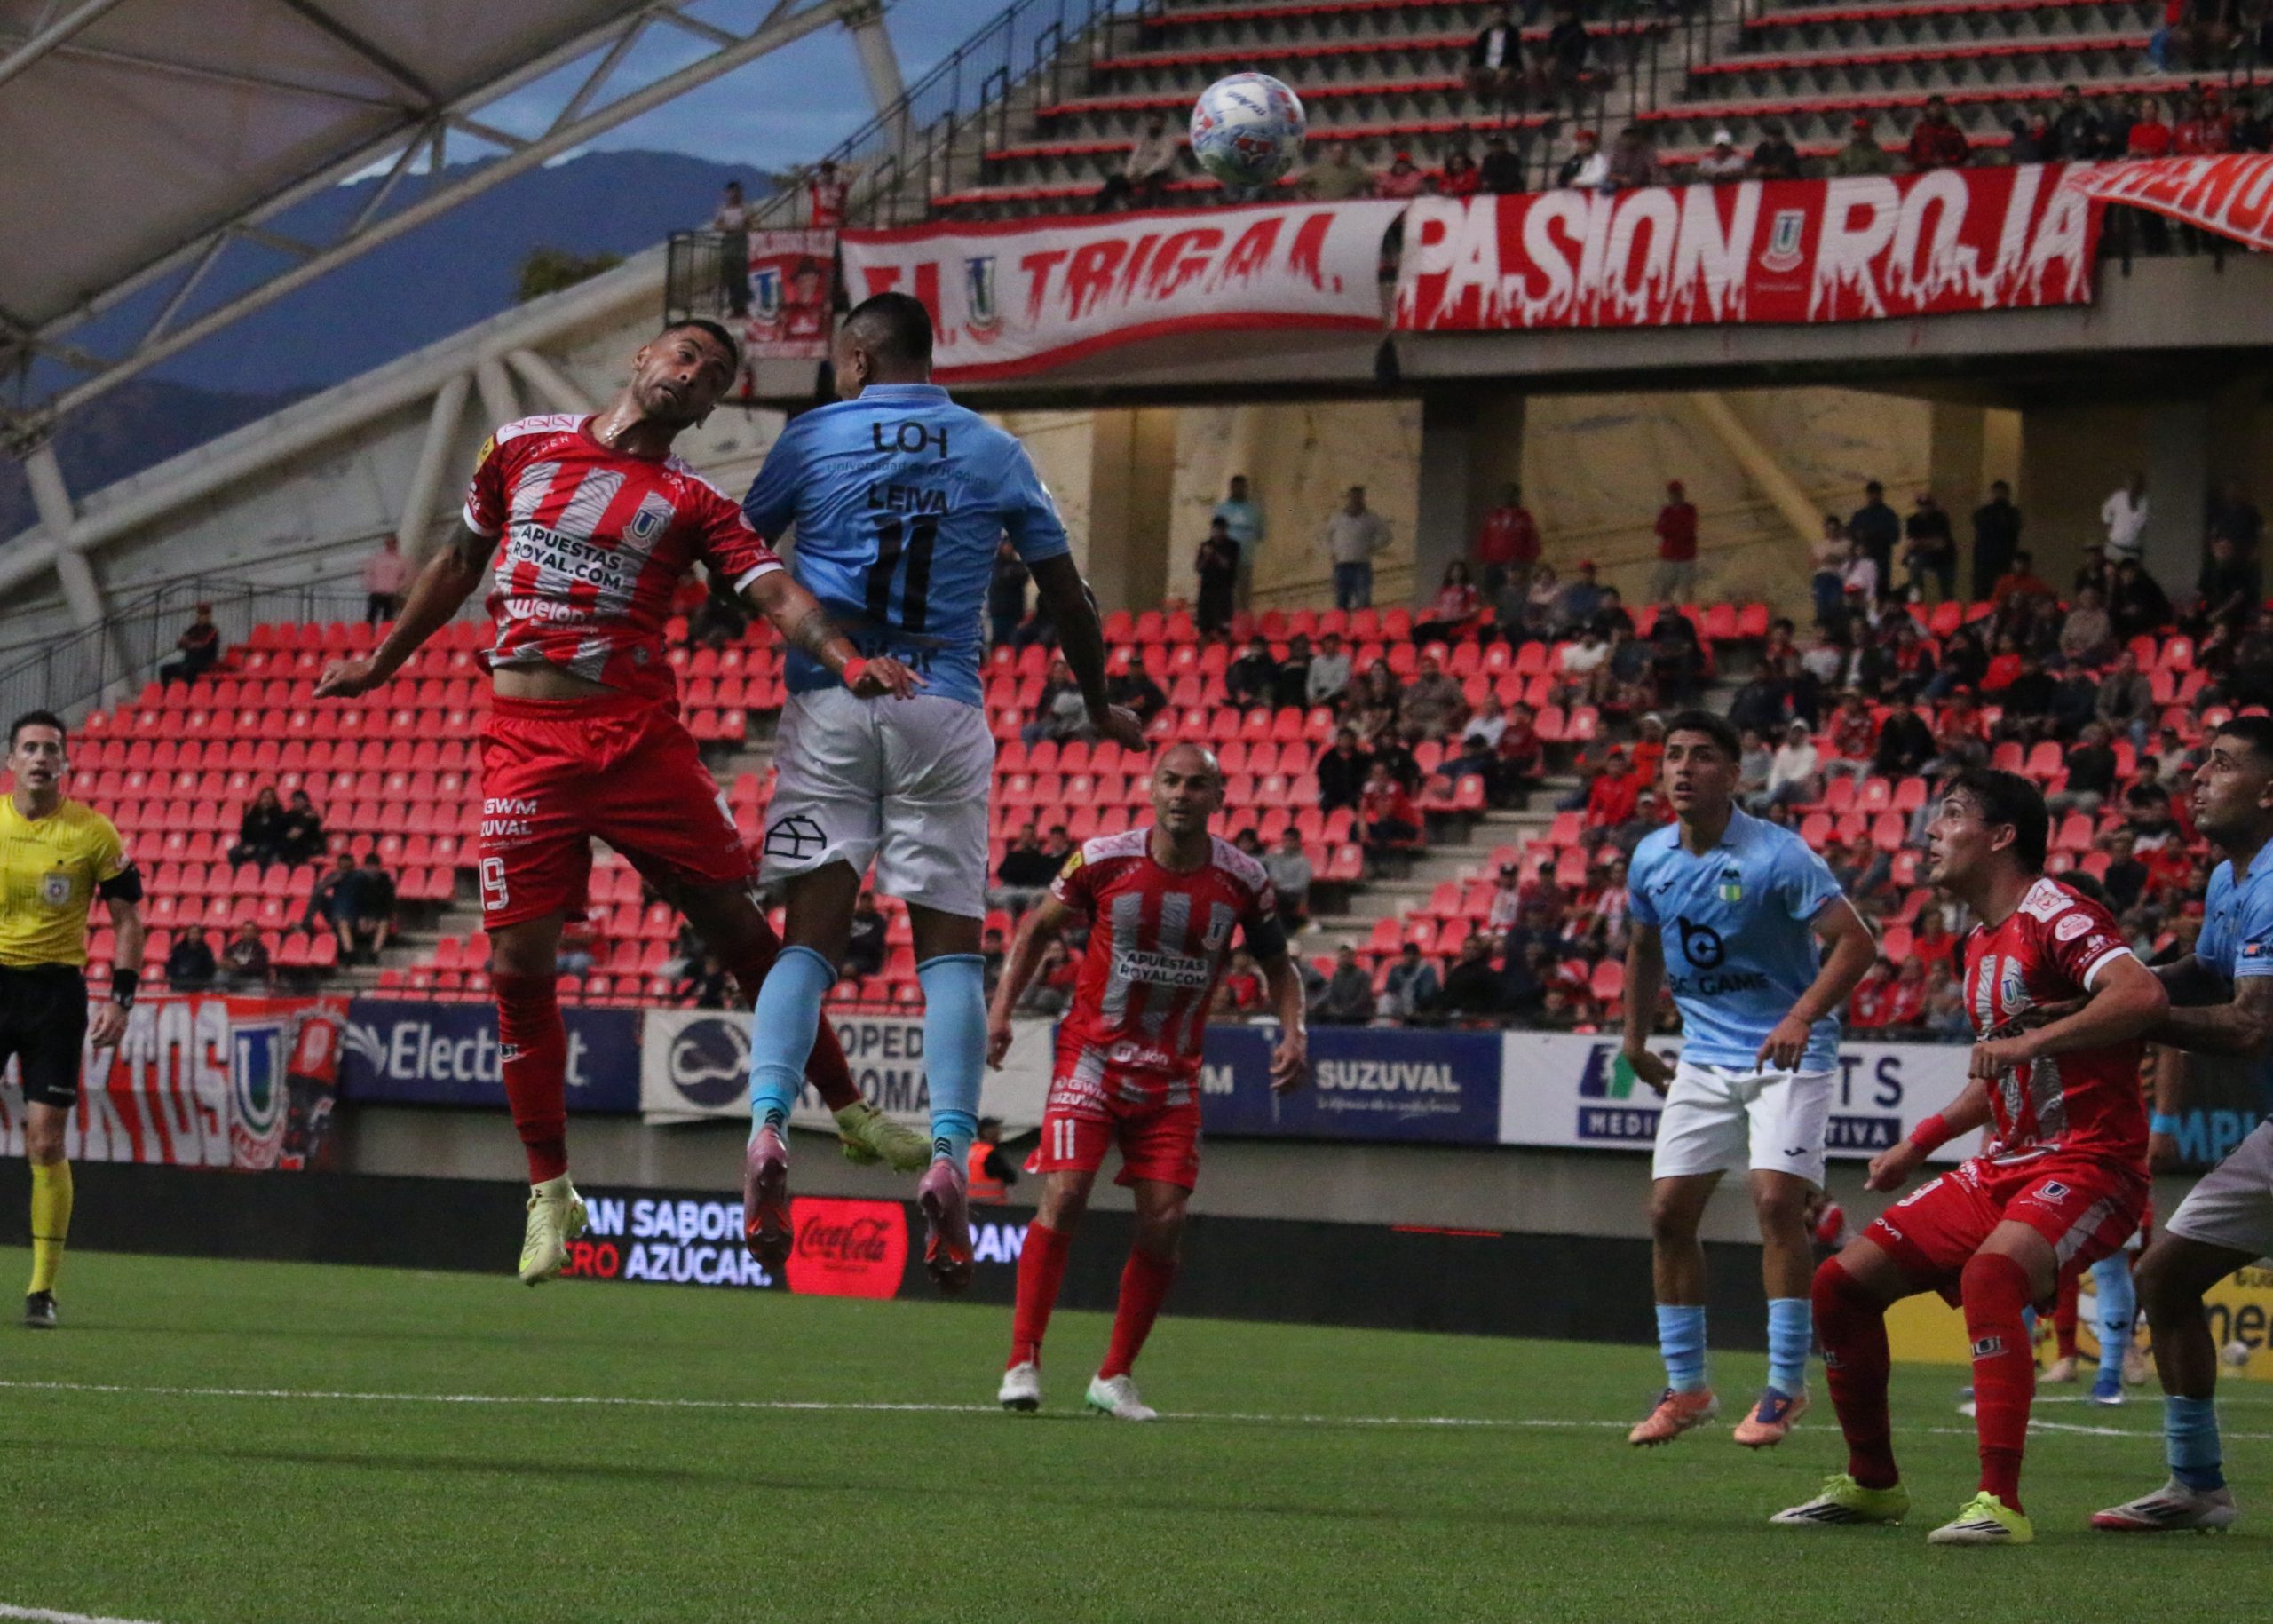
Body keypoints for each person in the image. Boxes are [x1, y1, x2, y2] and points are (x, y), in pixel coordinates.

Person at [314, 316, 930, 1286]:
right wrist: (381, 661)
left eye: (714, 375)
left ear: (713, 407)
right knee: (517, 966)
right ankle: (550, 1189)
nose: (694, 374)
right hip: (527, 745)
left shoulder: (694, 502)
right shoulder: (519, 445)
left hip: (638, 742)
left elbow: (776, 592)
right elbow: (460, 562)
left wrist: (846, 659)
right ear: (641, 357)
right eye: (684, 355)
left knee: (740, 932)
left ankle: (849, 1108)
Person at [735, 292, 1144, 1294]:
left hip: (831, 699)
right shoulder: (994, 450)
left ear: (859, 358)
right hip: (942, 705)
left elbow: (736, 554)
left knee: (806, 944)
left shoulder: (813, 436)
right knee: (950, 953)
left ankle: (768, 1126)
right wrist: (1097, 701)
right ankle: (952, 1153)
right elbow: (1067, 593)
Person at [1778, 768, 2164, 1545]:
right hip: (2006, 1163)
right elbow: (2001, 1073)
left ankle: (2000, 1503)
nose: (1930, 831)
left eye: (1951, 814)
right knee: (1840, 1286)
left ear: (2001, 836)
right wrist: (1917, 1143)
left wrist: (2030, 1040)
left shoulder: (2058, 911)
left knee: (1993, 1274)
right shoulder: (1980, 942)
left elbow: (2142, 994)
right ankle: (1872, 1483)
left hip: (2091, 1160)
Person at [989, 745, 1306, 1419]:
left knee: (1166, 1221)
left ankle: (1114, 1376)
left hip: (1172, 1075)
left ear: (1218, 796)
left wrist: (1293, 1031)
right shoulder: (1102, 859)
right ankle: (1023, 1358)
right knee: (1066, 1192)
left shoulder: (1245, 880)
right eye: (1171, 781)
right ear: (1150, 788)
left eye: (1197, 784)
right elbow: (1036, 928)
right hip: (1092, 1058)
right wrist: (1001, 1011)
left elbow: (1280, 966)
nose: (1182, 794)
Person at [1621, 710, 1877, 1449]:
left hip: (1789, 1053)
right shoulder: (1650, 856)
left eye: (1702, 756)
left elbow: (1857, 942)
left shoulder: (1779, 855)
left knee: (1775, 1202)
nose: (1683, 768)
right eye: (1673, 755)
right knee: (1668, 1213)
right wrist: (1634, 1039)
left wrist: (1800, 1016)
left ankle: (1785, 1386)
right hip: (1704, 1054)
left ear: (1734, 774)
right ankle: (1688, 1387)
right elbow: (1642, 945)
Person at [2091, 718, 2273, 1533]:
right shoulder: (2233, 879)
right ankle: (2197, 1486)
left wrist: (2118, 1019)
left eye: (2222, 764)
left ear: (2269, 791)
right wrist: (2109, 992)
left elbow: (2250, 1025)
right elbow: (2204, 971)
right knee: (2164, 1278)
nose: (2198, 777)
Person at [1, 711, 143, 1329]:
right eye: (30, 747)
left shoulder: (93, 833)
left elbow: (128, 920)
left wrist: (122, 998)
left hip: (55, 995)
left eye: (51, 749)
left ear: (65, 762)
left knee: (46, 1140)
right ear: (11, 760)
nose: (40, 757)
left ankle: (42, 1289)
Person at [1319, 485, 1390, 611]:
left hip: (1361, 565)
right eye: (1353, 497)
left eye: (1358, 497)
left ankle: (1364, 623)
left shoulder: (1371, 518)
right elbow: (1326, 536)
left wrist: (1373, 546)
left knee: (1363, 601)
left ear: (1363, 498)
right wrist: (1332, 551)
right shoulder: (1337, 518)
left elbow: (1386, 535)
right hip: (1342, 565)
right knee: (1341, 601)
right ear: (1348, 498)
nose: (1355, 500)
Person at [1474, 482, 1540, 604]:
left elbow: (1532, 539)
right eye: (1505, 494)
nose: (1508, 497)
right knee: (1492, 593)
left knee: (1515, 594)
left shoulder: (1524, 517)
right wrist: (1482, 559)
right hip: (1494, 563)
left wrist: (1530, 560)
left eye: (1511, 494)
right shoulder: (1493, 516)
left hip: (1516, 563)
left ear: (1517, 496)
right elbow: (1485, 538)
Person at [1101, 114, 1179, 210]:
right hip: (1138, 174)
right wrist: (1130, 174)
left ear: (1163, 124)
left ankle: (1144, 209)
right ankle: (1100, 210)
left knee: (1153, 179)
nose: (1153, 125)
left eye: (1156, 123)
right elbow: (1133, 159)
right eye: (1151, 122)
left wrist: (1144, 174)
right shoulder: (1143, 141)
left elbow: (1164, 162)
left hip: (1155, 174)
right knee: (1115, 180)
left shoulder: (1168, 142)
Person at [1213, 474, 1265, 605]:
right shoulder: (1221, 510)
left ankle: (1243, 616)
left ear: (1245, 488)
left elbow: (1260, 534)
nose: (1238, 490)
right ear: (1231, 488)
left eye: (1241, 487)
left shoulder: (1254, 511)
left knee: (1244, 594)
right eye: (1235, 487)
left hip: (1245, 559)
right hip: (1226, 559)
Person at [1970, 480, 2022, 600]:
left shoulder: (2012, 514)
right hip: (1986, 561)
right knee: (1983, 595)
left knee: (2002, 594)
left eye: (2001, 493)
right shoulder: (1985, 512)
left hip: (2002, 560)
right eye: (1997, 493)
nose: (1999, 496)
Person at [1651, 480, 1699, 605]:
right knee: (1665, 589)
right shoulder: (1666, 511)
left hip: (1686, 556)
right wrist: (1675, 528)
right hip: (1670, 556)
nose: (1675, 496)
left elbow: (1688, 528)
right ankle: (1665, 610)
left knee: (1686, 590)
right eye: (1673, 493)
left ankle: (1686, 611)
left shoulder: (1689, 510)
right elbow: (1659, 529)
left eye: (1677, 493)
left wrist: (1671, 528)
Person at [1848, 481, 1899, 592]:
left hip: (1881, 557)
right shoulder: (1860, 515)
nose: (1874, 497)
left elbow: (1895, 537)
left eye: (1876, 494)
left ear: (1881, 495)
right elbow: (1851, 534)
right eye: (1871, 494)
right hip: (1863, 558)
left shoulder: (1888, 515)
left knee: (1881, 590)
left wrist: (1874, 535)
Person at [1467, 7, 1525, 104]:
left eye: (1500, 15)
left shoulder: (1512, 33)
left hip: (1506, 65)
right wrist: (1471, 67)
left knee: (1503, 74)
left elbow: (1514, 54)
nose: (1497, 17)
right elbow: (1478, 53)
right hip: (1488, 65)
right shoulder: (1485, 34)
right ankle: (1478, 101)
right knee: (1469, 73)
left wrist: (1508, 68)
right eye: (1495, 15)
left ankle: (1501, 103)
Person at [1414, 563, 1482, 646]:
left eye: (1458, 571)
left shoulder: (1469, 588)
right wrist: (1440, 615)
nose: (1456, 573)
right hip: (1444, 621)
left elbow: (1475, 609)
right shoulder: (1445, 589)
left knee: (1437, 631)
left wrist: (1460, 615)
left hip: (1459, 622)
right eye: (1453, 571)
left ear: (1463, 572)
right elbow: (1439, 607)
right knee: (1418, 630)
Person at [1194, 517, 1240, 638]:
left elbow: (1228, 565)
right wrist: (1206, 557)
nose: (1217, 533)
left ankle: (1223, 647)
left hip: (1223, 591)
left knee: (1223, 628)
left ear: (1225, 530)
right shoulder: (1205, 545)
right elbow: (1198, 568)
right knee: (1204, 628)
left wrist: (1214, 554)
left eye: (1220, 530)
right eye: (1215, 529)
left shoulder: (1233, 546)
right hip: (1206, 591)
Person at [710, 180, 750, 316]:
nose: (735, 195)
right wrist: (728, 227)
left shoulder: (745, 208)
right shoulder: (723, 208)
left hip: (741, 242)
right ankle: (734, 306)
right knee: (730, 275)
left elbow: (752, 222)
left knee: (742, 276)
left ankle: (743, 306)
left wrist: (743, 225)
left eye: (737, 191)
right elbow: (717, 224)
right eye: (732, 192)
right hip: (729, 241)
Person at [158, 603, 220, 685]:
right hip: (189, 662)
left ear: (209, 616)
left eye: (205, 614)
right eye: (200, 614)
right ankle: (166, 691)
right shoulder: (193, 629)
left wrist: (190, 644)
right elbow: (181, 643)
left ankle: (190, 691)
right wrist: (187, 644)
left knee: (189, 671)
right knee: (165, 669)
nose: (202, 617)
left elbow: (203, 645)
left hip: (205, 663)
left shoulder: (212, 630)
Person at [1263, 826, 1312, 928]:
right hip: (1275, 893)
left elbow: (1301, 886)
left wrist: (1280, 888)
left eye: (1291, 841)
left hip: (1291, 897)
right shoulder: (1274, 858)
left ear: (1297, 842)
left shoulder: (1303, 862)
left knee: (1278, 898)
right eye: (1285, 840)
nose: (1287, 844)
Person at [1906, 95, 1971, 170]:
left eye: (1939, 107)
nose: (1936, 110)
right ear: (1927, 109)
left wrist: (1948, 161)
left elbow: (1963, 153)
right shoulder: (1920, 130)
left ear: (1944, 109)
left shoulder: (1952, 130)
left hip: (1947, 169)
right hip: (1924, 170)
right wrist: (1920, 163)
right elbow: (1912, 152)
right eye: (1933, 107)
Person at [1318, 944, 1376, 1025]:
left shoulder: (1363, 976)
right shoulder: (1337, 976)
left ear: (1352, 957)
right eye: (1341, 956)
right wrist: (1335, 1010)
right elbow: (1332, 996)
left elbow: (1363, 999)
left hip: (1358, 1018)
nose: (1343, 959)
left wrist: (1347, 1011)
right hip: (1338, 1017)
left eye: (1346, 956)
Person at [231, 785, 287, 867]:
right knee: (234, 852)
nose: (266, 800)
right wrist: (246, 845)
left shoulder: (278, 814)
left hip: (269, 846)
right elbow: (245, 832)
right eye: (264, 797)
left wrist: (256, 846)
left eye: (269, 798)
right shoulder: (253, 814)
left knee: (263, 851)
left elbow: (274, 836)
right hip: (251, 845)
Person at [2102, 471, 2150, 564]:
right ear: (2127, 484)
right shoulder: (2118, 497)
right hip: (2114, 547)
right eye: (2131, 483)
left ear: (2142, 486)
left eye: (2137, 484)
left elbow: (2143, 524)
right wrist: (2108, 523)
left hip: (2133, 551)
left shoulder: (2145, 503)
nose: (2134, 487)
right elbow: (2106, 509)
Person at [987, 540, 1028, 648]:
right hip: (999, 612)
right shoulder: (995, 565)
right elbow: (999, 580)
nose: (1008, 548)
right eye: (1006, 545)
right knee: (998, 642)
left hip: (1015, 612)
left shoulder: (1017, 565)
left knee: (1014, 642)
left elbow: (1023, 576)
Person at [362, 535, 409, 624]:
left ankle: (384, 632)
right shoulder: (377, 558)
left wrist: (397, 587)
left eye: (392, 543)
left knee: (387, 618)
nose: (390, 545)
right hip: (377, 592)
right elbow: (368, 573)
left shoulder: (401, 561)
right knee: (371, 617)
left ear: (396, 544)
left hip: (391, 594)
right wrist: (371, 586)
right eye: (388, 543)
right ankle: (369, 632)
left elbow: (406, 577)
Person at [1224, 635, 1279, 710]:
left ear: (1265, 648)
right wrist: (1240, 692)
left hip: (1259, 696)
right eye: (1254, 646)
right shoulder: (1242, 663)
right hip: (1243, 693)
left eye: (1259, 647)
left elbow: (1267, 679)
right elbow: (1233, 678)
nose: (1256, 649)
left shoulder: (1270, 664)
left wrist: (1252, 694)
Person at [1828, 116, 1895, 177]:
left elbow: (1884, 172)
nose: (1859, 133)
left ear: (1869, 132)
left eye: (1863, 130)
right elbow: (1838, 173)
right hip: (1850, 183)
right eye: (1857, 130)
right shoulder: (1845, 152)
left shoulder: (1876, 151)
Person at [1303, 143, 1372, 201]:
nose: (1339, 155)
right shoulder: (1319, 170)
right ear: (1330, 154)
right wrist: (1313, 196)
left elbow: (1369, 183)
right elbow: (1302, 183)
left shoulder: (1354, 171)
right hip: (1323, 205)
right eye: (1335, 152)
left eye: (1341, 152)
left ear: (1347, 154)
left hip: (1347, 205)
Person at [844, 891, 888, 978]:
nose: (865, 904)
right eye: (863, 901)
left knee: (847, 969)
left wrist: (854, 940)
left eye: (868, 901)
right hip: (849, 955)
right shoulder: (852, 917)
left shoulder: (878, 921)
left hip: (867, 958)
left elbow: (872, 943)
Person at [1307, 630, 1351, 709]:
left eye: (1333, 643)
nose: (1330, 646)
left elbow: (1340, 684)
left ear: (1337, 645)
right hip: (1319, 692)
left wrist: (1323, 697)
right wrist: (1312, 696)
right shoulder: (1316, 661)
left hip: (1336, 693)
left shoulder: (1344, 660)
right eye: (1327, 643)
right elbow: (1311, 681)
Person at [222, 919, 270, 990]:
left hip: (253, 979)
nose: (247, 933)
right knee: (221, 976)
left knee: (256, 988)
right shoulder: (233, 947)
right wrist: (225, 963)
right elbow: (226, 959)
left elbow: (258, 968)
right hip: (235, 977)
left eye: (250, 931)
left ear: (256, 934)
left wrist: (238, 967)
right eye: (245, 931)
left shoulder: (261, 950)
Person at [165, 924, 216, 991]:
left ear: (200, 935)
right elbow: (172, 964)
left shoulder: (205, 950)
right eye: (192, 933)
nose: (193, 936)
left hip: (197, 984)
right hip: (179, 982)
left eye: (196, 933)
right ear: (187, 935)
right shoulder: (179, 948)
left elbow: (209, 969)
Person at [806, 158, 850, 228]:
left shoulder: (841, 187)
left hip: (837, 223)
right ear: (821, 173)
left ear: (833, 173)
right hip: (818, 224)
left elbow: (853, 174)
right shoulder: (815, 187)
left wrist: (839, 168)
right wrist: (815, 166)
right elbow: (806, 174)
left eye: (829, 171)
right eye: (824, 172)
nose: (827, 174)